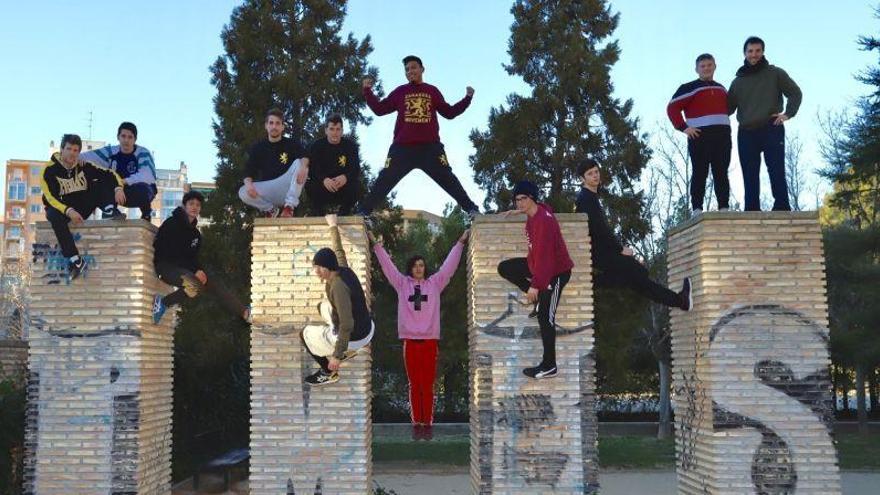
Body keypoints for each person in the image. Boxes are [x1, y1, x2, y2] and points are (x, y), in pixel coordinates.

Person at [371, 229, 469, 440]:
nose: (419, 268)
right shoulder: (402, 284)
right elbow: (387, 266)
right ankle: (417, 424)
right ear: (410, 268)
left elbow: (449, 267)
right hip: (410, 342)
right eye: (415, 265)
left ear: (425, 268)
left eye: (422, 265)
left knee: (428, 384)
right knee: (415, 385)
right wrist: (375, 244)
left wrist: (460, 242)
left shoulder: (434, 284)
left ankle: (428, 424)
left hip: (430, 342)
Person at [357, 55, 481, 220]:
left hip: (430, 147)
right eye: (407, 69)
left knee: (448, 179)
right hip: (403, 147)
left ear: (422, 69)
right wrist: (367, 91)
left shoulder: (432, 91)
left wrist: (467, 99)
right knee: (385, 179)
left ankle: (471, 209)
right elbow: (380, 109)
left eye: (413, 67)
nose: (410, 71)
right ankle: (364, 212)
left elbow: (449, 112)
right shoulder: (401, 91)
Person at [575, 159, 692, 312]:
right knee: (638, 274)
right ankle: (592, 281)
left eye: (596, 171)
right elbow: (599, 229)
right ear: (582, 179)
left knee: (635, 279)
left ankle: (681, 301)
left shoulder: (590, 196)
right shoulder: (586, 198)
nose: (595, 176)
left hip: (602, 252)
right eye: (590, 174)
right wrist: (619, 249)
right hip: (600, 253)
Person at [497, 181, 573, 379]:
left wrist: (535, 286)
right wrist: (520, 212)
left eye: (524, 199)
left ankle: (549, 365)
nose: (520, 203)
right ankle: (538, 299)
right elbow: (545, 208)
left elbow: (546, 260)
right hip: (538, 265)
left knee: (545, 318)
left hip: (556, 272)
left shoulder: (544, 222)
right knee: (505, 268)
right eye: (517, 200)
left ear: (533, 198)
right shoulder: (536, 213)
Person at [151, 191, 250, 324]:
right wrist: (195, 271)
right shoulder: (172, 224)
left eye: (198, 205)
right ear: (184, 205)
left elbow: (193, 258)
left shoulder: (196, 234)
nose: (194, 207)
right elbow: (170, 253)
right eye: (191, 203)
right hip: (166, 267)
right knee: (195, 284)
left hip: (183, 269)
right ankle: (163, 303)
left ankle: (244, 312)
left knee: (210, 282)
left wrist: (200, 270)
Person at [728, 36, 802, 211]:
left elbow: (795, 92)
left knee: (776, 170)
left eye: (757, 51)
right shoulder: (737, 82)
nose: (754, 54)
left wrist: (788, 114)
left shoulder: (775, 73)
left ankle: (782, 207)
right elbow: (727, 108)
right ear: (744, 53)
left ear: (763, 52)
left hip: (771, 127)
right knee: (749, 174)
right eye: (750, 51)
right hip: (746, 132)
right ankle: (752, 209)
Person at [301, 214, 375, 386]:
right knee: (322, 307)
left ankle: (327, 371)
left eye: (319, 267)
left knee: (304, 334)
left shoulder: (338, 287)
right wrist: (333, 226)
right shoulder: (342, 269)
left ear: (328, 267)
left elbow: (347, 323)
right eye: (315, 267)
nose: (316, 271)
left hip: (356, 336)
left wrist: (336, 355)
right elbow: (339, 251)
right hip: (367, 327)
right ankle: (344, 349)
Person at [41, 133, 126, 280]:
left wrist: (118, 188)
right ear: (61, 149)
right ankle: (76, 260)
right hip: (62, 209)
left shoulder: (84, 166)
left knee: (98, 182)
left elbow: (110, 174)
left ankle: (109, 210)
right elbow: (50, 197)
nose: (72, 153)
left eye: (75, 150)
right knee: (52, 214)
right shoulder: (49, 170)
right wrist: (69, 211)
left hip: (82, 206)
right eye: (69, 149)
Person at [666, 54, 731, 216]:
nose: (707, 68)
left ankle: (724, 207)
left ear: (715, 66)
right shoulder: (689, 87)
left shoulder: (722, 88)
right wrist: (683, 127)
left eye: (709, 65)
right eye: (703, 66)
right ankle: (697, 208)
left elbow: (729, 108)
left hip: (722, 136)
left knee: (721, 172)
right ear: (697, 69)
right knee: (699, 172)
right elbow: (672, 108)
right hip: (700, 136)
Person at [80, 121, 158, 220]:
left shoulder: (142, 153)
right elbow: (86, 157)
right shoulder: (110, 152)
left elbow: (148, 176)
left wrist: (120, 183)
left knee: (143, 188)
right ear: (118, 137)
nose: (126, 140)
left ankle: (146, 213)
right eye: (123, 136)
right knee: (96, 184)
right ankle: (110, 211)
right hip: (119, 193)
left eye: (130, 137)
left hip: (139, 192)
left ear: (135, 139)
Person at [238, 108, 309, 218]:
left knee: (300, 163)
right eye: (271, 123)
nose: (274, 126)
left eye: (277, 123)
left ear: (282, 127)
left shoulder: (291, 144)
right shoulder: (258, 148)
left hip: (287, 188)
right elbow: (248, 171)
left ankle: (289, 207)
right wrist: (248, 184)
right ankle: (270, 210)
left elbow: (305, 156)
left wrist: (304, 166)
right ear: (266, 126)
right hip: (268, 191)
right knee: (243, 192)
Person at [304, 113, 361, 215]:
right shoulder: (316, 146)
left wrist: (345, 177)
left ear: (342, 131)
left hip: (342, 186)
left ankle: (344, 213)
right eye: (332, 129)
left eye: (338, 129)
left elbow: (356, 169)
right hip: (323, 186)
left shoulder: (351, 147)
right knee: (310, 185)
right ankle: (319, 214)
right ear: (326, 130)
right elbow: (312, 169)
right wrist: (324, 179)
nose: (335, 133)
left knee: (356, 186)